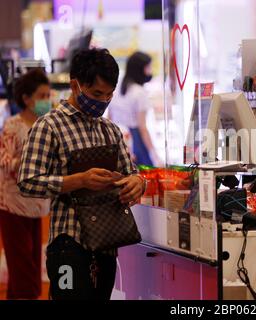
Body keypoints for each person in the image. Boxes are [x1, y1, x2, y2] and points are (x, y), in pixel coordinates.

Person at [17, 49, 146, 300]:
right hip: (68, 243)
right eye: (97, 94)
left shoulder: (110, 130)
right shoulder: (48, 126)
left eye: (109, 94)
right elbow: (27, 182)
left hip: (107, 243)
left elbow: (131, 173)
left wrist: (136, 182)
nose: (103, 101)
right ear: (75, 85)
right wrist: (79, 180)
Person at [0, 69, 51, 299]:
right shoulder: (13, 125)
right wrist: (27, 161)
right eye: (42, 96)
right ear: (26, 99)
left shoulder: (47, 125)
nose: (47, 100)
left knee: (27, 272)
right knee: (24, 274)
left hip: (37, 205)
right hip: (13, 206)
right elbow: (4, 162)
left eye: (48, 95)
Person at [108, 51, 161, 166]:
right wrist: (154, 154)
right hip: (136, 140)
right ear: (140, 69)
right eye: (148, 67)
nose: (150, 71)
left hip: (117, 137)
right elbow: (142, 127)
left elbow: (109, 118)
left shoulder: (116, 88)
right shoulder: (139, 92)